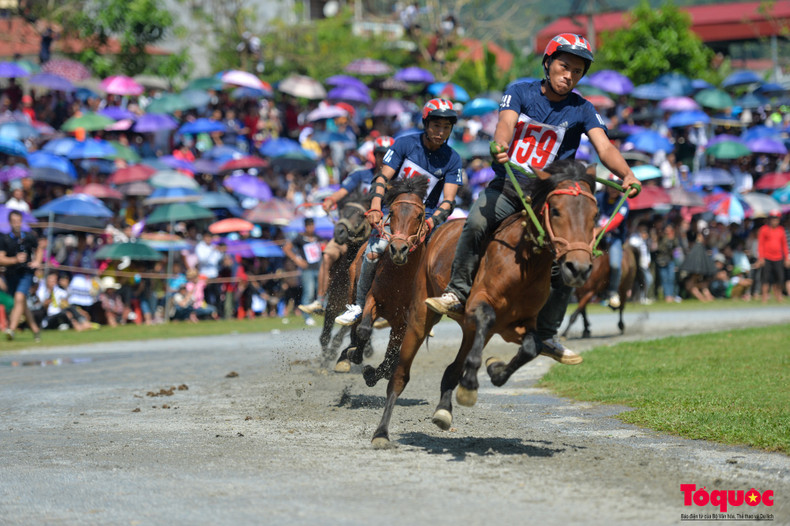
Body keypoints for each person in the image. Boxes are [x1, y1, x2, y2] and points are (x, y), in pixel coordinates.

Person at [425, 33, 640, 361]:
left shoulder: (583, 109)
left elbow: (605, 147)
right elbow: (505, 125)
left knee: (572, 256)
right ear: (548, 63)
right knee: (476, 222)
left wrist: (626, 174)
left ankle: (548, 334)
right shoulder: (519, 91)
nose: (569, 75)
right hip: (509, 187)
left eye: (577, 72)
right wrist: (499, 144)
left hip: (547, 198)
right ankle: (456, 292)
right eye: (564, 66)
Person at [334, 98, 463, 326]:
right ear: (425, 124)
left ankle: (428, 313)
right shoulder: (405, 144)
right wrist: (375, 207)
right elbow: (382, 178)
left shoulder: (453, 159)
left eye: (446, 127)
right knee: (374, 252)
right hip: (393, 213)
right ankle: (358, 306)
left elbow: (449, 202)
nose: (440, 132)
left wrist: (431, 223)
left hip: (426, 219)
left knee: (442, 259)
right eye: (436, 126)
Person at [299, 136, 394, 315]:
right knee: (328, 255)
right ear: (375, 155)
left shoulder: (397, 179)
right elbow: (342, 191)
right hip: (354, 229)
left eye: (388, 155)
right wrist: (330, 200)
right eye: (381, 154)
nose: (384, 159)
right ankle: (320, 300)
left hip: (380, 229)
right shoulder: (361, 175)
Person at [0, 210, 42, 341]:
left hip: (26, 273)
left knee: (19, 298)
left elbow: (39, 248)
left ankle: (11, 329)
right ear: (10, 222)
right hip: (11, 274)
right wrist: (15, 260)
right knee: (21, 303)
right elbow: (1, 258)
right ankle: (35, 330)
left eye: (18, 221)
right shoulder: (5, 239)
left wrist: (37, 261)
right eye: (14, 221)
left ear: (21, 221)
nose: (16, 224)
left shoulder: (29, 237)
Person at [596, 177, 630, 308]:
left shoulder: (623, 203)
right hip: (597, 237)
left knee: (615, 265)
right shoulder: (598, 198)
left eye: (617, 186)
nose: (614, 189)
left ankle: (613, 291)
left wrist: (599, 230)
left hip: (614, 239)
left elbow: (617, 220)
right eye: (611, 185)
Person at [283, 217, 323, 326]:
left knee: (320, 293)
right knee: (308, 293)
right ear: (305, 227)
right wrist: (297, 260)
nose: (311, 228)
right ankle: (306, 317)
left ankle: (323, 313)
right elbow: (286, 248)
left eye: (312, 225)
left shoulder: (317, 237)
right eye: (309, 226)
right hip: (307, 270)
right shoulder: (299, 238)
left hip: (319, 269)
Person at [756, 210, 789, 303]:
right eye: (772, 219)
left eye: (776, 219)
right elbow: (760, 244)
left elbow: (784, 245)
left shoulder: (781, 230)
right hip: (767, 257)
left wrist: (787, 258)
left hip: (778, 258)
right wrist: (761, 257)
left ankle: (778, 296)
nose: (774, 221)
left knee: (780, 278)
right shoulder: (764, 229)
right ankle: (764, 297)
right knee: (765, 278)